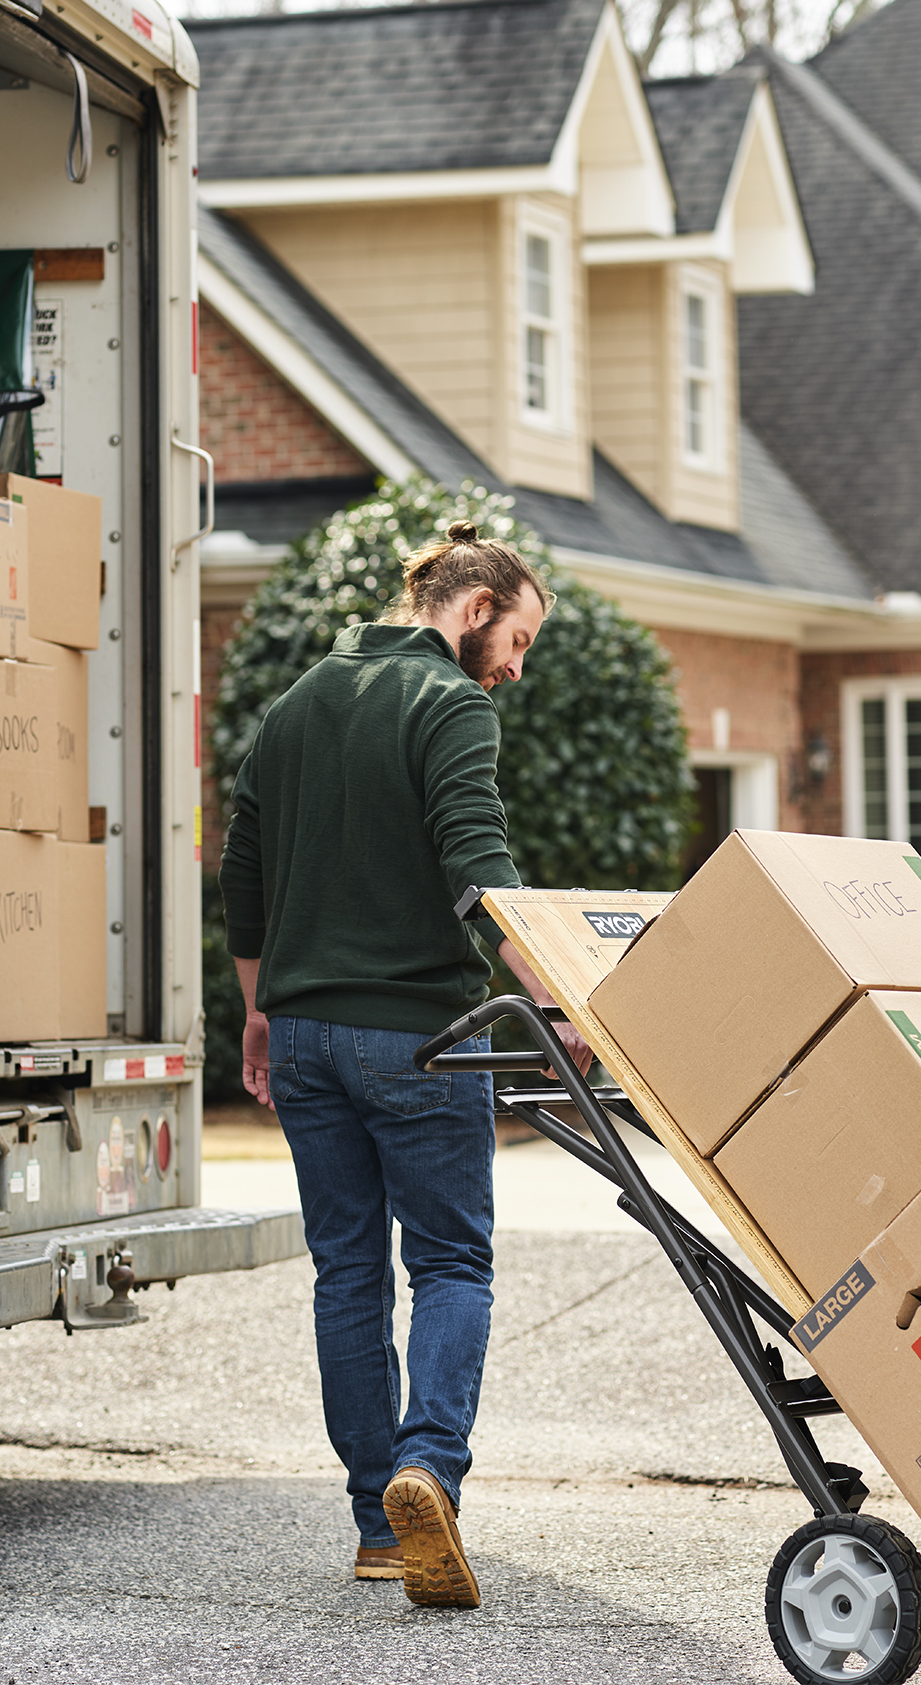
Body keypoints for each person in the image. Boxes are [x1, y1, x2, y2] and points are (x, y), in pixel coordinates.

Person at [222, 519, 589, 1608]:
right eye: (517, 640)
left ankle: (379, 1527)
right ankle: (427, 1467)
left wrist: (258, 1010)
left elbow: (242, 872)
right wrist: (554, 992)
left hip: (302, 1034)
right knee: (451, 1264)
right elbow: (478, 869)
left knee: (346, 1271)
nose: (514, 667)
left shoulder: (296, 705)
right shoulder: (450, 703)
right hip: (414, 1040)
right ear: (474, 610)